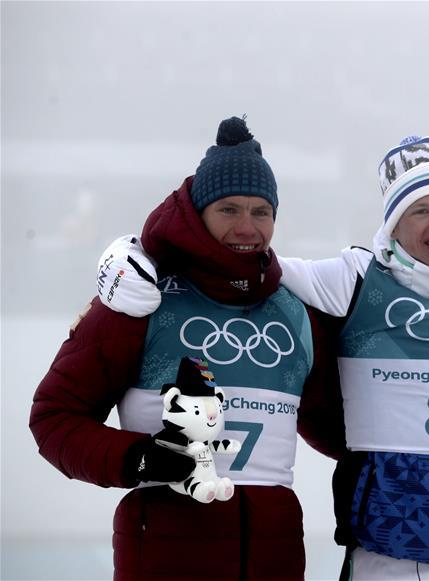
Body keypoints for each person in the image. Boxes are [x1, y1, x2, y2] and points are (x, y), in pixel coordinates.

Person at [97, 135, 429, 580]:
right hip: (384, 552)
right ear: (393, 225)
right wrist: (134, 256)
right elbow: (242, 258)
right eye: (419, 210)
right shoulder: (353, 281)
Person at [30, 116, 337, 580]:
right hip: (164, 555)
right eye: (228, 209)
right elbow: (54, 418)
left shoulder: (295, 312)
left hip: (273, 558)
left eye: (261, 212)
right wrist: (141, 458)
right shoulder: (141, 300)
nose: (247, 227)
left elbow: (342, 427)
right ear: (198, 212)